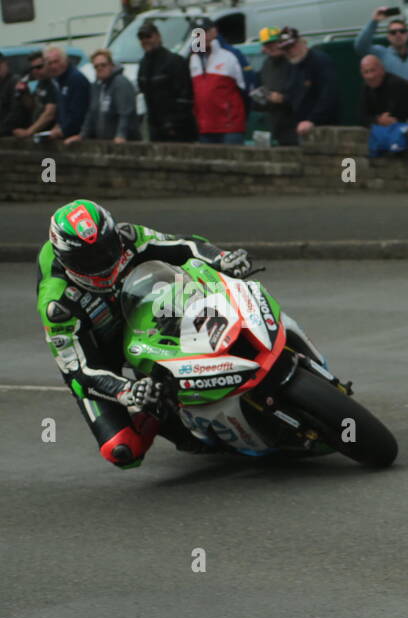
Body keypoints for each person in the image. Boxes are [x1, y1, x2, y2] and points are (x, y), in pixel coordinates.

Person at [36, 199, 260, 468]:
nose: (102, 262)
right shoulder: (58, 304)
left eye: (106, 249)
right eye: (87, 259)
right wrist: (127, 390)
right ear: (65, 259)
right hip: (98, 350)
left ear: (113, 235)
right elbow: (79, 370)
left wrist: (222, 258)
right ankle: (175, 423)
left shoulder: (128, 236)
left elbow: (183, 244)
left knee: (189, 287)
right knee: (121, 451)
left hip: (138, 309)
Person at [189, 17, 248, 144]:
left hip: (230, 128)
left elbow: (247, 89)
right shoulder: (193, 58)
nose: (202, 37)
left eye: (205, 32)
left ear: (214, 32)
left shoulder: (231, 55)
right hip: (205, 128)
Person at [136, 21, 195, 142]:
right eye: (141, 38)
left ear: (158, 37)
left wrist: (173, 125)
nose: (145, 40)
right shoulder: (143, 64)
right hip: (155, 129)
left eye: (148, 36)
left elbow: (186, 97)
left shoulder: (174, 61)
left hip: (178, 130)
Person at [65, 49, 139, 144]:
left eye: (103, 65)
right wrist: (82, 135)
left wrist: (121, 135)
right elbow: (91, 113)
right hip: (105, 142)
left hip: (126, 142)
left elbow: (126, 112)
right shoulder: (96, 86)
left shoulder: (121, 82)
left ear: (111, 65)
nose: (100, 68)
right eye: (96, 67)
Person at [282, 27, 340, 139]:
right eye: (286, 49)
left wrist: (312, 120)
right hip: (301, 128)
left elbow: (329, 94)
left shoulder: (320, 61)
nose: (290, 52)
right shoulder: (293, 65)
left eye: (292, 46)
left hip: (323, 127)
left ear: (300, 43)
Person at [354, 8, 408, 87]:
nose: (398, 34)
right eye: (393, 32)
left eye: (402, 31)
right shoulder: (381, 54)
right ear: (388, 37)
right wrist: (374, 21)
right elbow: (360, 47)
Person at [250, 27, 297, 145]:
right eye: (268, 45)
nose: (273, 47)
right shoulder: (267, 64)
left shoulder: (294, 61)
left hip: (295, 123)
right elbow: (261, 88)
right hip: (274, 123)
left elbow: (304, 92)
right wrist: (259, 98)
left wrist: (283, 98)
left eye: (275, 43)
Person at [4, 52, 57, 138]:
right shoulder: (41, 83)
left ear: (48, 64)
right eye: (32, 68)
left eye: (39, 67)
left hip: (50, 136)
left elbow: (49, 113)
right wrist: (24, 93)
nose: (35, 71)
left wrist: (29, 132)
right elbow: (33, 107)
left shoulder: (54, 84)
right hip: (39, 134)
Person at [44, 46, 91, 140]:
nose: (53, 66)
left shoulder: (76, 79)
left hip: (76, 136)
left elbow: (79, 112)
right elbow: (62, 108)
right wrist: (58, 126)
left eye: (56, 62)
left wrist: (63, 131)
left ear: (65, 60)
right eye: (50, 63)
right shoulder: (58, 79)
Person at [360, 54, 408, 127]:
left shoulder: (395, 84)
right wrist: (378, 120)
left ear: (382, 70)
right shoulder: (366, 87)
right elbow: (361, 117)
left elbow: (394, 117)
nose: (370, 76)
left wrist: (376, 120)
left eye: (373, 70)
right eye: (366, 72)